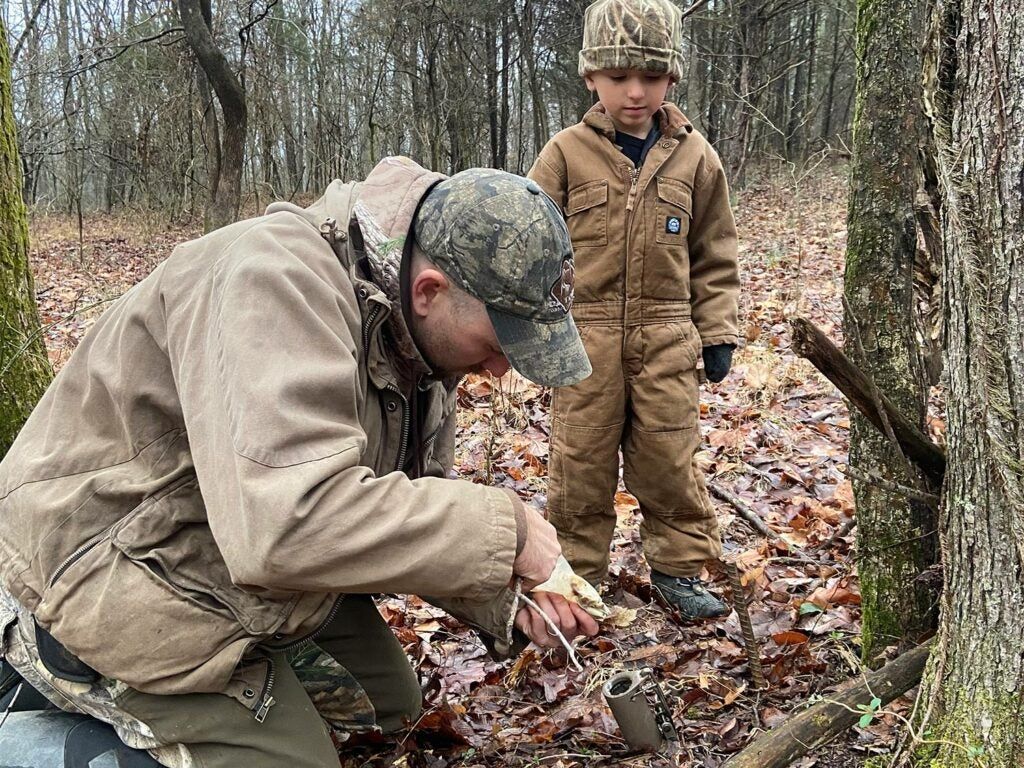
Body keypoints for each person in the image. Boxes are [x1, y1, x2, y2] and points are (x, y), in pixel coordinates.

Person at [0, 155, 600, 767]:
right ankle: (33, 735)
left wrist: (511, 602)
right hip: (106, 562)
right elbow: (286, 524)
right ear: (429, 291)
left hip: (228, 558)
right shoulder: (276, 278)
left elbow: (402, 507)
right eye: (499, 344)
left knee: (385, 709)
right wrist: (510, 528)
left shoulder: (421, 339)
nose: (501, 369)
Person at [528, 0, 741, 619]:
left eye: (650, 76)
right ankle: (578, 579)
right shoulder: (566, 154)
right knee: (580, 467)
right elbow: (530, 246)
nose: (635, 91)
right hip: (584, 345)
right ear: (591, 77)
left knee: (669, 463)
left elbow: (715, 252)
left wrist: (718, 330)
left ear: (671, 78)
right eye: (618, 76)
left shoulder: (695, 159)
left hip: (668, 340)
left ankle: (677, 570)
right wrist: (532, 328)